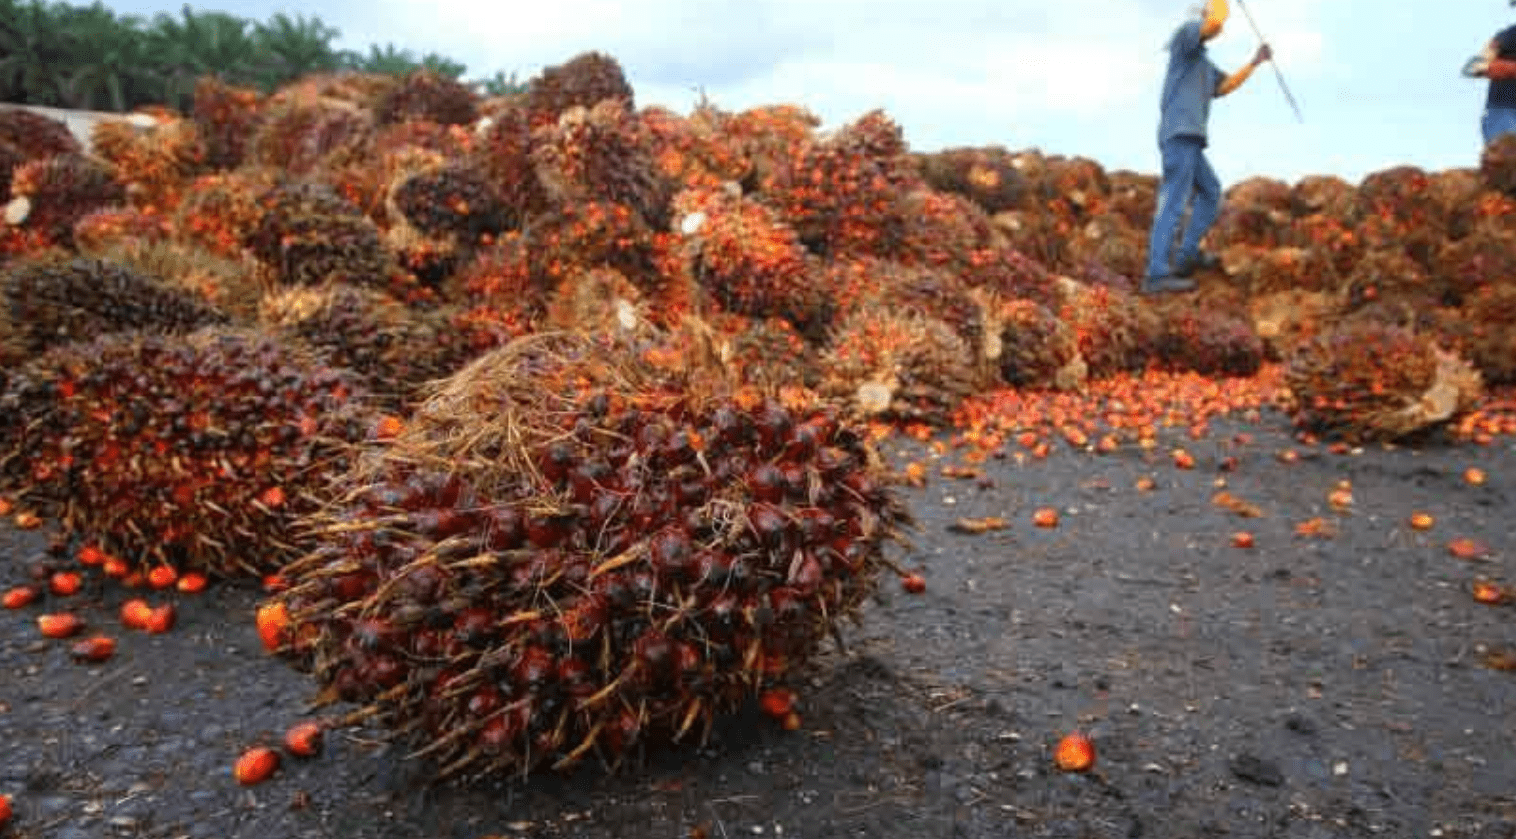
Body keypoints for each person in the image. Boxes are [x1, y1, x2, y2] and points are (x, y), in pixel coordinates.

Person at [1142, 0, 1272, 294]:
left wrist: (1254, 63)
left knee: (1211, 192)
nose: (1217, 26)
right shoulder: (1184, 38)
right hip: (1178, 136)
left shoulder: (1202, 63)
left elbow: (1223, 87)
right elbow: (1214, 23)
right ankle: (1157, 274)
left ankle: (1187, 255)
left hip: (1191, 139)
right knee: (1174, 201)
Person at [1468, 5, 1516, 145]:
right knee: (1504, 155)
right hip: (1504, 111)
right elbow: (1474, 67)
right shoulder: (1509, 36)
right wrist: (1489, 67)